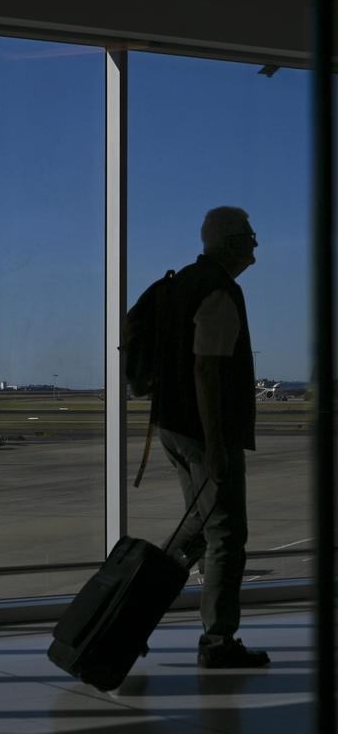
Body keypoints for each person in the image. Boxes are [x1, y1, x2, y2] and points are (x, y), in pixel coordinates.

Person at [153, 206, 270, 669]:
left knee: (197, 530)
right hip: (202, 433)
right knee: (226, 534)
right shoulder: (220, 290)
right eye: (249, 236)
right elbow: (207, 370)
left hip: (172, 427)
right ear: (228, 242)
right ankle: (218, 641)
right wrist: (218, 443)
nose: (255, 245)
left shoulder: (181, 283)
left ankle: (132, 607)